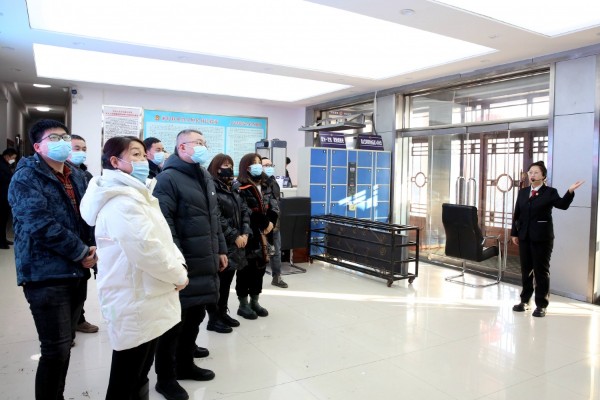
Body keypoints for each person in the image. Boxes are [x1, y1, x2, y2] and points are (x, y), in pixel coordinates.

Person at [80, 136, 189, 400]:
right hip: (135, 295)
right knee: (127, 372)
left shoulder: (137, 193)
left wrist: (179, 264)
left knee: (140, 369)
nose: (144, 160)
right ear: (115, 161)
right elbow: (146, 250)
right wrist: (178, 274)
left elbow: (162, 238)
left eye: (143, 154)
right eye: (136, 155)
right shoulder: (122, 201)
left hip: (148, 291)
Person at [8, 119, 96, 400]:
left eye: (65, 137)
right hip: (44, 272)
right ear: (37, 147)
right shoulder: (26, 177)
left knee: (65, 344)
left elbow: (88, 216)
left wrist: (92, 247)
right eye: (54, 138)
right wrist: (81, 252)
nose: (63, 142)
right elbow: (39, 224)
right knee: (55, 349)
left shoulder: (77, 175)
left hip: (76, 271)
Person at [153, 129, 227, 400]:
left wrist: (220, 249)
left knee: (195, 316)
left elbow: (214, 217)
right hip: (184, 262)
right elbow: (165, 224)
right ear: (181, 147)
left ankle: (185, 365)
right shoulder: (168, 178)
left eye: (204, 142)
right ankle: (165, 378)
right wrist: (177, 261)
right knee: (174, 324)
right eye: (198, 143)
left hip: (205, 258)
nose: (203, 147)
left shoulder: (204, 175)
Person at [511, 161, 584, 318]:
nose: (532, 175)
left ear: (543, 176)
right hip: (524, 236)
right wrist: (514, 233)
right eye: (530, 172)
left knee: (541, 271)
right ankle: (524, 301)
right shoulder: (523, 192)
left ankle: (541, 305)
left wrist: (570, 191)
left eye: (536, 172)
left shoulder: (550, 192)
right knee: (526, 270)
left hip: (542, 238)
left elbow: (562, 205)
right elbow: (517, 213)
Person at [205, 154, 251, 333]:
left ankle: (223, 313)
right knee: (218, 284)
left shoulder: (234, 187)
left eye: (230, 165)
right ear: (216, 168)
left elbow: (245, 211)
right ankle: (214, 319)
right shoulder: (211, 187)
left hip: (237, 243)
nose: (229, 169)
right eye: (225, 165)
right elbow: (216, 217)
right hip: (222, 242)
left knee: (226, 283)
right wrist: (234, 236)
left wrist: (245, 233)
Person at [236, 153, 279, 319]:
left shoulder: (267, 184)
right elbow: (243, 211)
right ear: (246, 166)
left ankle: (255, 301)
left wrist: (271, 223)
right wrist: (264, 222)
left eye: (259, 162)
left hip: (266, 233)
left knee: (260, 269)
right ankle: (243, 304)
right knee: (245, 270)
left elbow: (274, 206)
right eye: (254, 163)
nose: (258, 165)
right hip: (250, 233)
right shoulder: (240, 186)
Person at [67, 134, 99, 335]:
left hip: (85, 237)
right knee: (67, 289)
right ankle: (66, 330)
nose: (81, 152)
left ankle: (79, 319)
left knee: (81, 285)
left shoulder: (86, 176)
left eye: (84, 149)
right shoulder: (59, 176)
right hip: (68, 241)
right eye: (76, 148)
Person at [261, 156, 288, 288]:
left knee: (276, 251)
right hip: (261, 223)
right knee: (259, 252)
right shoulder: (257, 183)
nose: (269, 167)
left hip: (274, 222)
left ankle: (277, 277)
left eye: (271, 165)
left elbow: (276, 203)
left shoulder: (273, 182)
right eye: (266, 165)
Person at [0, 147, 17, 249]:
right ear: (7, 156)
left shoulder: (5, 164)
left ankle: (3, 239)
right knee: (2, 220)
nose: (13, 160)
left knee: (4, 220)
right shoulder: (1, 165)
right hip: (1, 197)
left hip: (5, 196)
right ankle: (1, 242)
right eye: (13, 158)